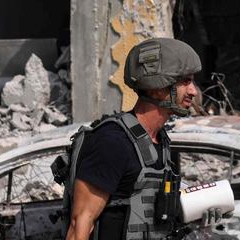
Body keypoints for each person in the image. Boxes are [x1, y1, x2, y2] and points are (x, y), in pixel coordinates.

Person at [64, 37, 202, 240]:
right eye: (185, 81)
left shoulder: (161, 142)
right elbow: (80, 225)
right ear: (157, 86)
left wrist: (195, 213)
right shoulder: (112, 141)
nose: (193, 91)